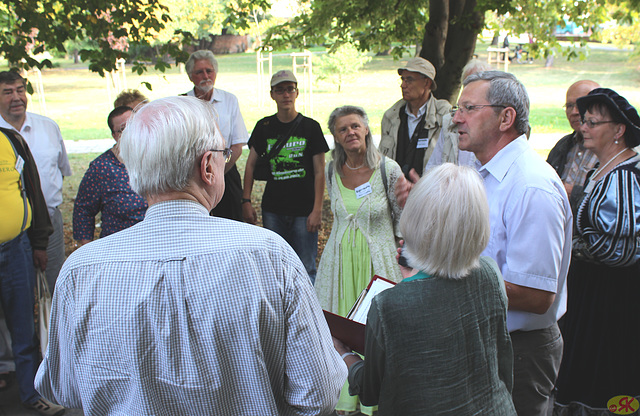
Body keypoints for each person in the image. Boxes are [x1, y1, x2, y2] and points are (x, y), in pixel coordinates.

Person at [35, 96, 346, 415]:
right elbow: (318, 394)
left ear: (134, 171)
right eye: (224, 154)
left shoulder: (81, 270)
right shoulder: (270, 255)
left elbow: (61, 388)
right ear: (207, 167)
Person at [333, 163, 516, 415]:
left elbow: (370, 391)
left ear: (416, 222)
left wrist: (342, 353)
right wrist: (416, 276)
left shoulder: (388, 305)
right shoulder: (490, 271)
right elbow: (502, 360)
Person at [449, 70, 572, 416]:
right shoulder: (481, 171)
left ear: (506, 118)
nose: (457, 118)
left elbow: (535, 296)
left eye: (469, 108)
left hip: (519, 350)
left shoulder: (531, 186)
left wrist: (446, 281)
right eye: (458, 109)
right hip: (483, 337)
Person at [554, 88, 640, 414]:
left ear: (618, 131)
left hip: (613, 297)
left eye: (593, 122)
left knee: (608, 367)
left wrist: (571, 245)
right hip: (592, 290)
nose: (583, 127)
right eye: (584, 120)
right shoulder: (602, 169)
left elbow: (615, 250)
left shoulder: (623, 177)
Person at [315, 105, 404, 416]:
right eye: (342, 129)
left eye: (355, 126)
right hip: (338, 265)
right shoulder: (330, 171)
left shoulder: (388, 170)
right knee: (339, 330)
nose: (350, 132)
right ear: (337, 138)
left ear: (367, 129)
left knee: (376, 331)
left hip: (377, 264)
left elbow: (403, 218)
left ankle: (376, 399)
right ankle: (345, 398)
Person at [0, 127, 64, 415]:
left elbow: (33, 191)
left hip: (16, 249)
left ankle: (30, 393)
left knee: (24, 325)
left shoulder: (11, 140)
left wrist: (39, 242)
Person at [242, 70, 328, 284]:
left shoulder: (311, 127)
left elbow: (319, 171)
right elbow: (250, 165)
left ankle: (309, 313)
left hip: (304, 210)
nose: (285, 95)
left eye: (290, 89)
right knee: (275, 266)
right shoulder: (264, 127)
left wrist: (317, 209)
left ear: (297, 92)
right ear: (272, 95)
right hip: (274, 209)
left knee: (307, 266)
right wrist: (246, 200)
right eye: (280, 90)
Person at [0, 71, 72, 291]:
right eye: (7, 92)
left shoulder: (48, 127)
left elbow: (60, 170)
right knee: (13, 296)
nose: (16, 98)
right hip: (10, 235)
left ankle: (53, 326)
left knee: (55, 285)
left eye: (20, 90)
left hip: (49, 222)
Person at [182, 50, 248, 221]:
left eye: (209, 71)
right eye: (199, 72)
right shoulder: (182, 104)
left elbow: (237, 145)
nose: (205, 76)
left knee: (231, 224)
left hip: (226, 174)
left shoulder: (229, 100)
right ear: (190, 76)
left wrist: (218, 173)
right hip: (191, 180)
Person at [72, 106, 147, 246]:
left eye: (135, 124)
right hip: (119, 249)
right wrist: (86, 250)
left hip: (157, 244)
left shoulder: (156, 158)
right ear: (115, 135)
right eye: (124, 128)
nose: (132, 131)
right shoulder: (102, 168)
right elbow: (83, 211)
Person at [378, 57, 451, 178]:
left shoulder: (444, 115)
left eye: (409, 80)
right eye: (402, 79)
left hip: (429, 191)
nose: (403, 85)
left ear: (426, 83)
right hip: (396, 191)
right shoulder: (391, 116)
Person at [425, 58, 492, 169]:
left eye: (478, 86)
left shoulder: (495, 124)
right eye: (468, 85)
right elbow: (433, 167)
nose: (472, 90)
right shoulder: (450, 121)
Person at [546, 80, 600, 214]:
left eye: (581, 104)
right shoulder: (563, 146)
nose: (574, 111)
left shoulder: (616, 151)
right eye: (569, 106)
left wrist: (574, 193)